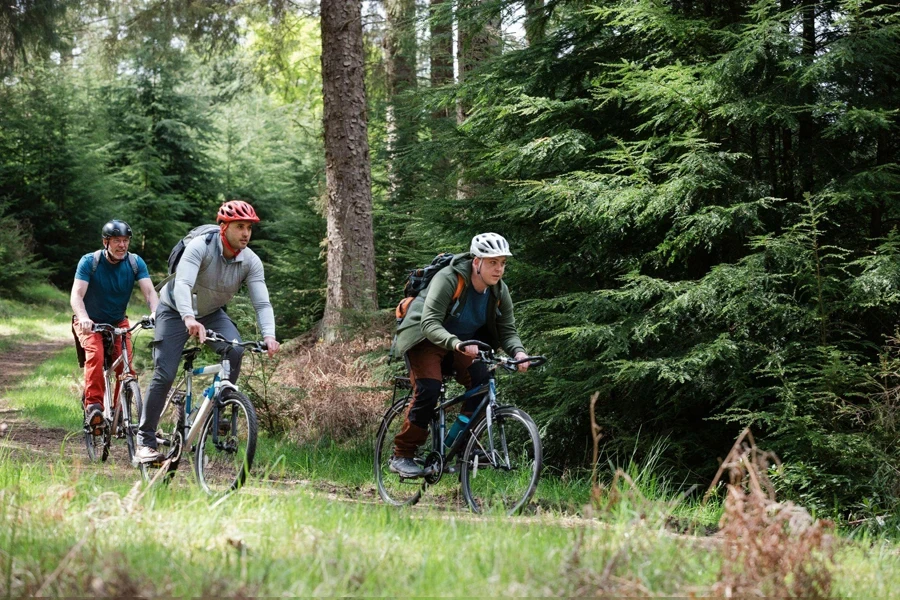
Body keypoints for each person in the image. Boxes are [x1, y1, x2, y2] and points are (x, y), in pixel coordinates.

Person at [136, 200, 280, 464]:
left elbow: (262, 302)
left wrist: (269, 335)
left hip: (211, 313)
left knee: (235, 350)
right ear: (223, 227)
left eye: (249, 227)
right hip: (174, 310)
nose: (246, 233)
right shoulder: (200, 247)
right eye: (240, 227)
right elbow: (183, 284)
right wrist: (188, 317)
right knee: (165, 372)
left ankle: (219, 409)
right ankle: (144, 440)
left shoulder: (250, 261)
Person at [390, 232, 531, 476]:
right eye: (492, 262)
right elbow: (430, 322)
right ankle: (403, 453)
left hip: (461, 343)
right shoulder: (449, 279)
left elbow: (507, 329)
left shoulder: (499, 291)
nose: (498, 269)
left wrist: (519, 352)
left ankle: (464, 445)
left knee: (481, 385)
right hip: (424, 338)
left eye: (502, 263)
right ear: (477, 262)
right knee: (429, 389)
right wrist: (456, 343)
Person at [71, 220, 159, 431]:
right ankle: (93, 406)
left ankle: (119, 410)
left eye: (126, 240)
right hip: (89, 322)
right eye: (117, 240)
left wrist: (156, 312)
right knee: (96, 355)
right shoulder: (89, 262)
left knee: (126, 362)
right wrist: (83, 317)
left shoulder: (135, 263)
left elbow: (149, 292)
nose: (122, 245)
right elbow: (77, 295)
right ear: (106, 242)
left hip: (118, 321)